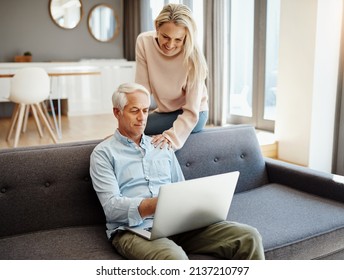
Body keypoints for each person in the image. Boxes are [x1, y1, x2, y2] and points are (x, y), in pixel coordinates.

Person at [89, 82, 265, 260]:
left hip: (178, 224)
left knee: (248, 237)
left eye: (145, 110)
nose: (142, 118)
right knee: (175, 260)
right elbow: (111, 208)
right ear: (117, 112)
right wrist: (157, 204)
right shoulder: (103, 153)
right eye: (134, 111)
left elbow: (181, 188)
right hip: (133, 230)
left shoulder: (162, 146)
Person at [135, 3, 208, 150]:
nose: (170, 44)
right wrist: (133, 116)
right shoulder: (144, 42)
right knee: (131, 126)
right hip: (166, 112)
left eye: (178, 40)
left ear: (186, 36)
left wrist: (171, 137)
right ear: (157, 27)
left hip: (195, 113)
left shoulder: (194, 57)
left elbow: (191, 112)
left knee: (137, 129)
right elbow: (141, 90)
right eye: (165, 37)